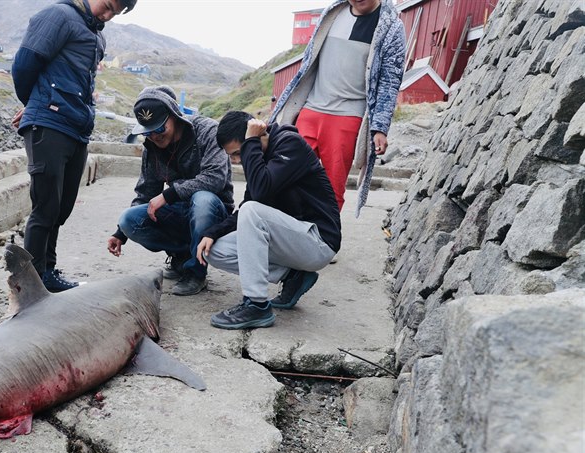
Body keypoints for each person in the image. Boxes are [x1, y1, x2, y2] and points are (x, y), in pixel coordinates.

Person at [11, 0, 136, 292]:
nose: (107, 16)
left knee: (62, 207)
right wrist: (35, 105)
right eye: (107, 7)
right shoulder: (59, 16)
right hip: (49, 124)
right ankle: (31, 283)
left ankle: (47, 273)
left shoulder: (97, 36)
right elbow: (23, 66)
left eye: (114, 14)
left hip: (76, 130)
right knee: (46, 206)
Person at [197, 111, 341, 330]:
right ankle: (293, 276)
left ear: (259, 134)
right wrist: (212, 233)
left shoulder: (289, 144)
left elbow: (259, 194)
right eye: (233, 156)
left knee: (253, 212)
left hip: (318, 241)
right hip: (292, 240)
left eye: (238, 153)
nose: (237, 161)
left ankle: (256, 305)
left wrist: (251, 143)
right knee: (215, 250)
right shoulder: (258, 156)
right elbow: (248, 203)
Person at [270, 0, 405, 215]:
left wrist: (380, 127)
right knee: (288, 177)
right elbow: (309, 59)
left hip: (348, 118)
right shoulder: (332, 13)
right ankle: (288, 234)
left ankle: (324, 241)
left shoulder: (391, 27)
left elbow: (390, 81)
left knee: (331, 188)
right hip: (310, 111)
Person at [106, 86, 233, 296]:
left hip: (213, 212)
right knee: (129, 220)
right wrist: (120, 233)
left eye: (159, 129)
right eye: (148, 131)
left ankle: (196, 272)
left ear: (175, 117)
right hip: (180, 210)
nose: (154, 136)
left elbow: (215, 178)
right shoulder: (152, 147)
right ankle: (181, 255)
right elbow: (146, 192)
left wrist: (168, 194)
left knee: (202, 200)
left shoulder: (207, 131)